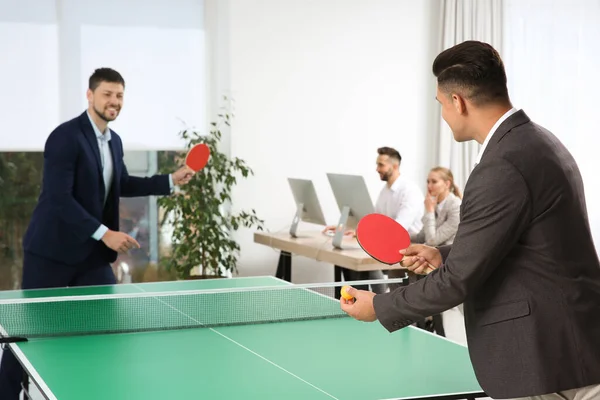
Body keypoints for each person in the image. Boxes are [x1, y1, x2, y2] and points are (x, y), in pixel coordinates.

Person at [340, 41, 600, 400]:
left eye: (441, 105)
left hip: (548, 362)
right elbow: (522, 243)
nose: (444, 115)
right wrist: (443, 255)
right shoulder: (539, 141)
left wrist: (379, 306)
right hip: (570, 348)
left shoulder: (502, 165)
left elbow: (456, 282)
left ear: (458, 102)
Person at [0, 67, 195, 399]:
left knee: (104, 327)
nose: (114, 101)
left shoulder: (113, 142)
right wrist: (105, 233)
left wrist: (169, 181)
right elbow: (60, 198)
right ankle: (6, 393)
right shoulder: (66, 137)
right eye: (107, 94)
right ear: (90, 95)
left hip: (90, 257)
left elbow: (123, 182)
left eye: (119, 95)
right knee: (25, 334)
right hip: (51, 252)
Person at [324, 146, 424, 293]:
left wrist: (368, 234)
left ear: (395, 166)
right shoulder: (385, 191)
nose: (377, 169)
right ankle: (377, 298)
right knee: (353, 260)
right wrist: (350, 229)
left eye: (381, 165)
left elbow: (398, 230)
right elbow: (377, 223)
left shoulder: (410, 191)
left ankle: (377, 300)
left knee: (360, 263)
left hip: (409, 247)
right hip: (389, 245)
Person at [388, 166, 463, 335]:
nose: (429, 185)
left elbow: (432, 240)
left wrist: (429, 211)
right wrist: (398, 238)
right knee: (395, 272)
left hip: (446, 262)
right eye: (428, 181)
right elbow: (422, 235)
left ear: (447, 183)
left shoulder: (456, 206)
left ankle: (418, 319)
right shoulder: (436, 203)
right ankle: (403, 316)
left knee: (413, 272)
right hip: (431, 257)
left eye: (434, 181)